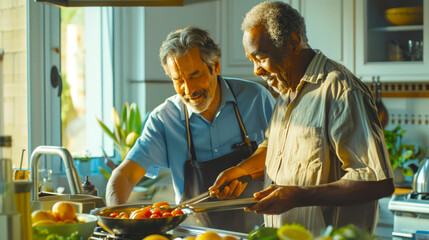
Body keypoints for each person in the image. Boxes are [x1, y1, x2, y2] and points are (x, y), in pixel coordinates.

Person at [209, 1, 394, 235]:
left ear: (293, 43)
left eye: (261, 57)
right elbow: (274, 149)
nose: (256, 70)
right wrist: (241, 170)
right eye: (251, 61)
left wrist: (300, 195)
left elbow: (376, 181)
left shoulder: (340, 90)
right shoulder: (286, 92)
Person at [105, 26, 276, 232]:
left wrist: (247, 172)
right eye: (178, 80)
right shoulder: (163, 119)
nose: (189, 89)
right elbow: (124, 175)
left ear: (216, 65)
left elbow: (282, 156)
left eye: (195, 75)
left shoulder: (256, 98)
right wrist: (116, 221)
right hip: (193, 236)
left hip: (259, 232)